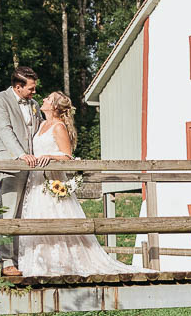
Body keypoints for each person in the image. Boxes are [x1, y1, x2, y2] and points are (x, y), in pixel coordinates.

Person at [18, 91, 125, 277]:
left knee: (55, 218)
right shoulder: (42, 124)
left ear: (55, 107)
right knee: (37, 219)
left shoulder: (58, 126)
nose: (43, 99)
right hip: (36, 181)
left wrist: (49, 157)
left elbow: (67, 155)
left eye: (48, 99)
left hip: (52, 180)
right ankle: (39, 264)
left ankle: (61, 264)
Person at [0, 66, 43, 281]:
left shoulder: (34, 105)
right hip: (11, 164)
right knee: (8, 215)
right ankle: (7, 262)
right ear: (17, 87)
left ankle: (24, 260)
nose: (34, 92)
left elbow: (38, 131)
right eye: (31, 88)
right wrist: (20, 154)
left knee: (26, 214)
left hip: (33, 167)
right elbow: (4, 130)